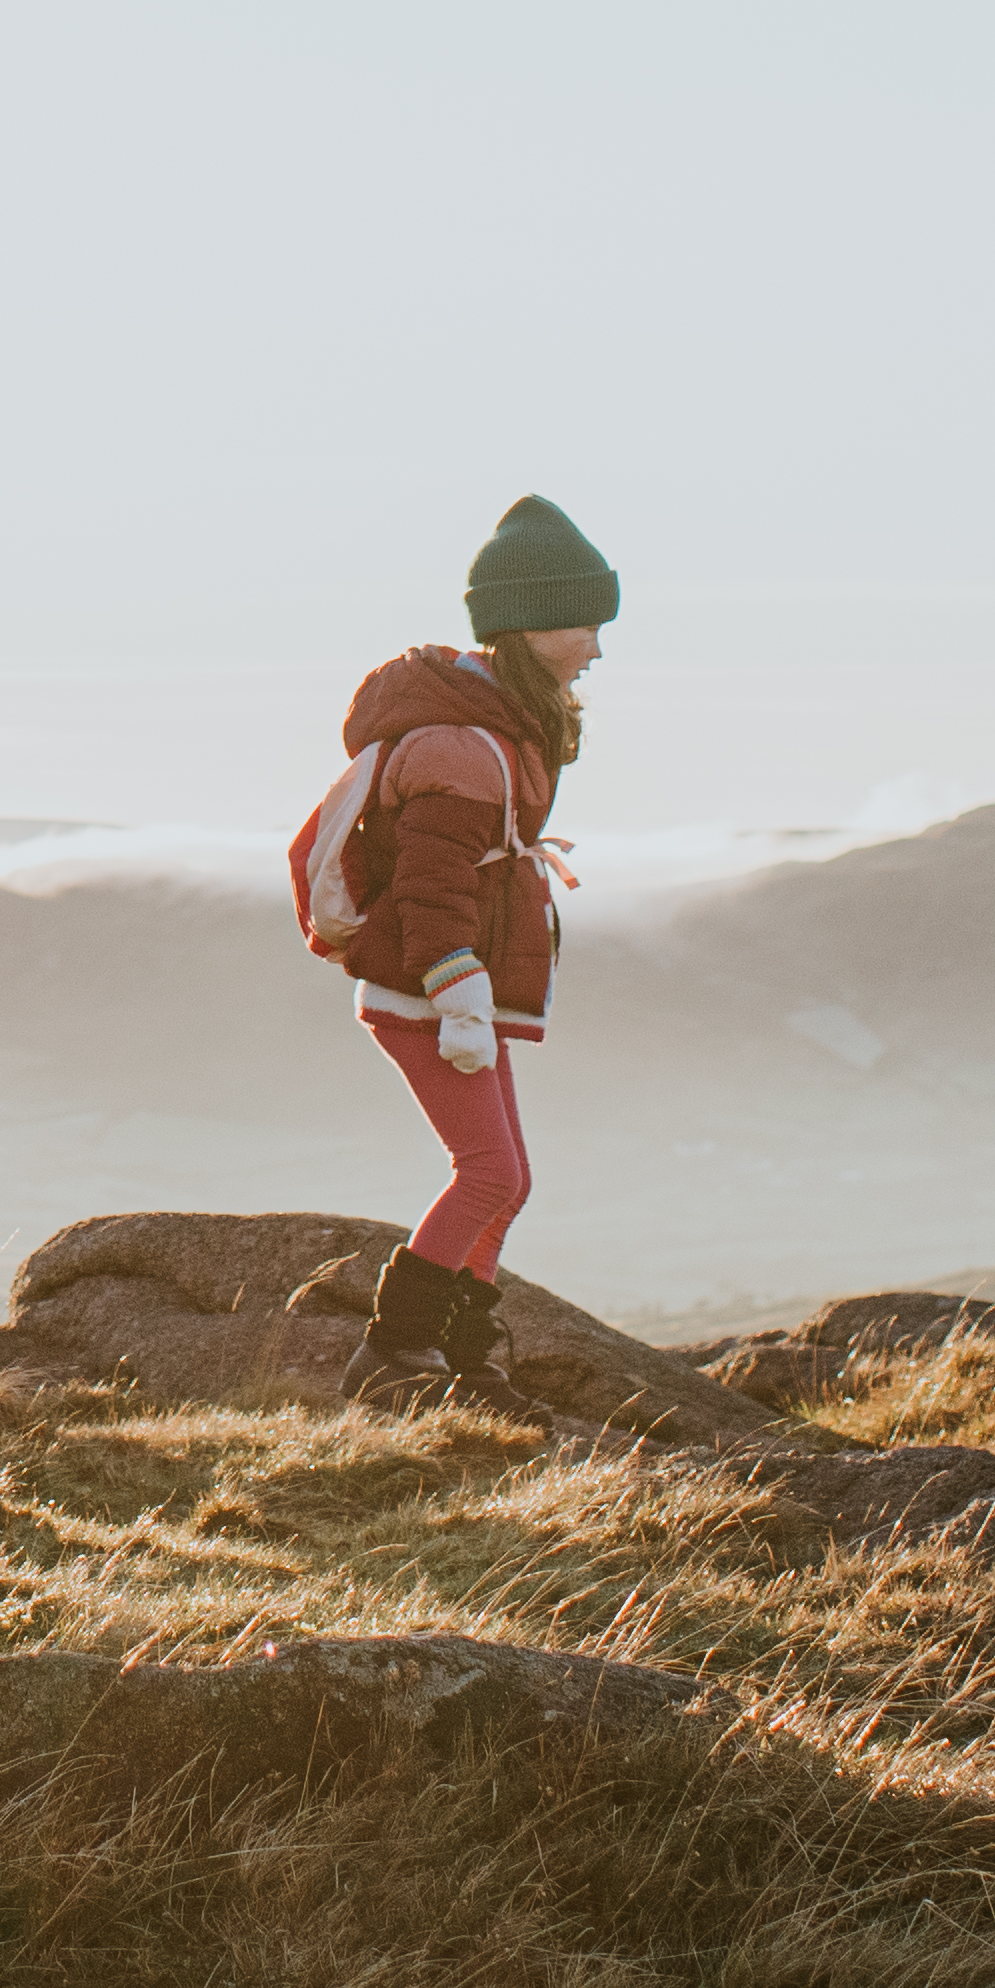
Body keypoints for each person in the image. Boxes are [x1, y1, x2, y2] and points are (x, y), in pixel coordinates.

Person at [323, 495, 621, 1414]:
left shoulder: (504, 730)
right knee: (489, 1172)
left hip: (457, 990)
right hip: (425, 991)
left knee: (510, 1178)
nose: (598, 650)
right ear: (529, 626)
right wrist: (459, 992)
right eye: (585, 626)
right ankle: (396, 1350)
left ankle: (468, 1356)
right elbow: (431, 886)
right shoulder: (464, 747)